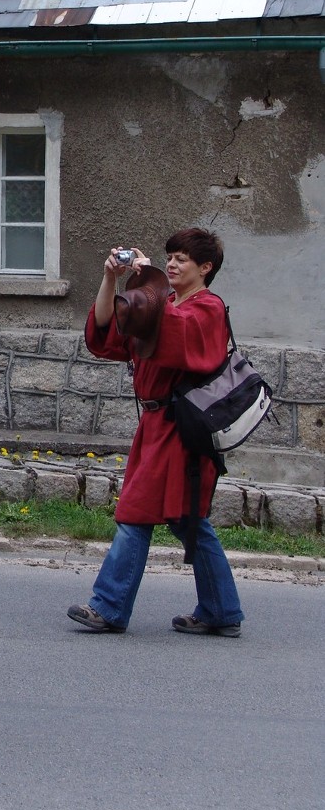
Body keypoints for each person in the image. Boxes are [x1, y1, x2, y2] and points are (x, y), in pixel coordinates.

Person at [67, 228, 244, 637]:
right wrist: (113, 278)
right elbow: (108, 334)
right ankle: (221, 610)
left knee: (136, 514)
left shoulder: (208, 308)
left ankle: (109, 607)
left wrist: (148, 283)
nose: (173, 263)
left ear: (206, 268)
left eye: (183, 259)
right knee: (189, 521)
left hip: (182, 430)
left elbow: (170, 331)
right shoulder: (166, 302)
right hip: (155, 427)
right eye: (170, 257)